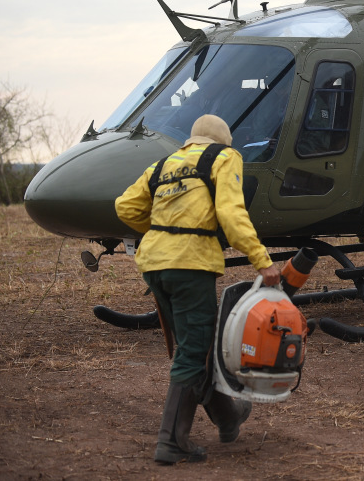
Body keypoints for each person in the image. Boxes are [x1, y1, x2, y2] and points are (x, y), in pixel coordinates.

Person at [115, 114, 281, 465]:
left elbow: (125, 206)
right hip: (190, 264)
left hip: (154, 265)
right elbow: (232, 214)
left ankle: (227, 417)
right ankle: (171, 441)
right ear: (223, 141)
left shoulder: (162, 165)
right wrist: (262, 261)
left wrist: (163, 229)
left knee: (196, 348)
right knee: (193, 352)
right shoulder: (224, 157)